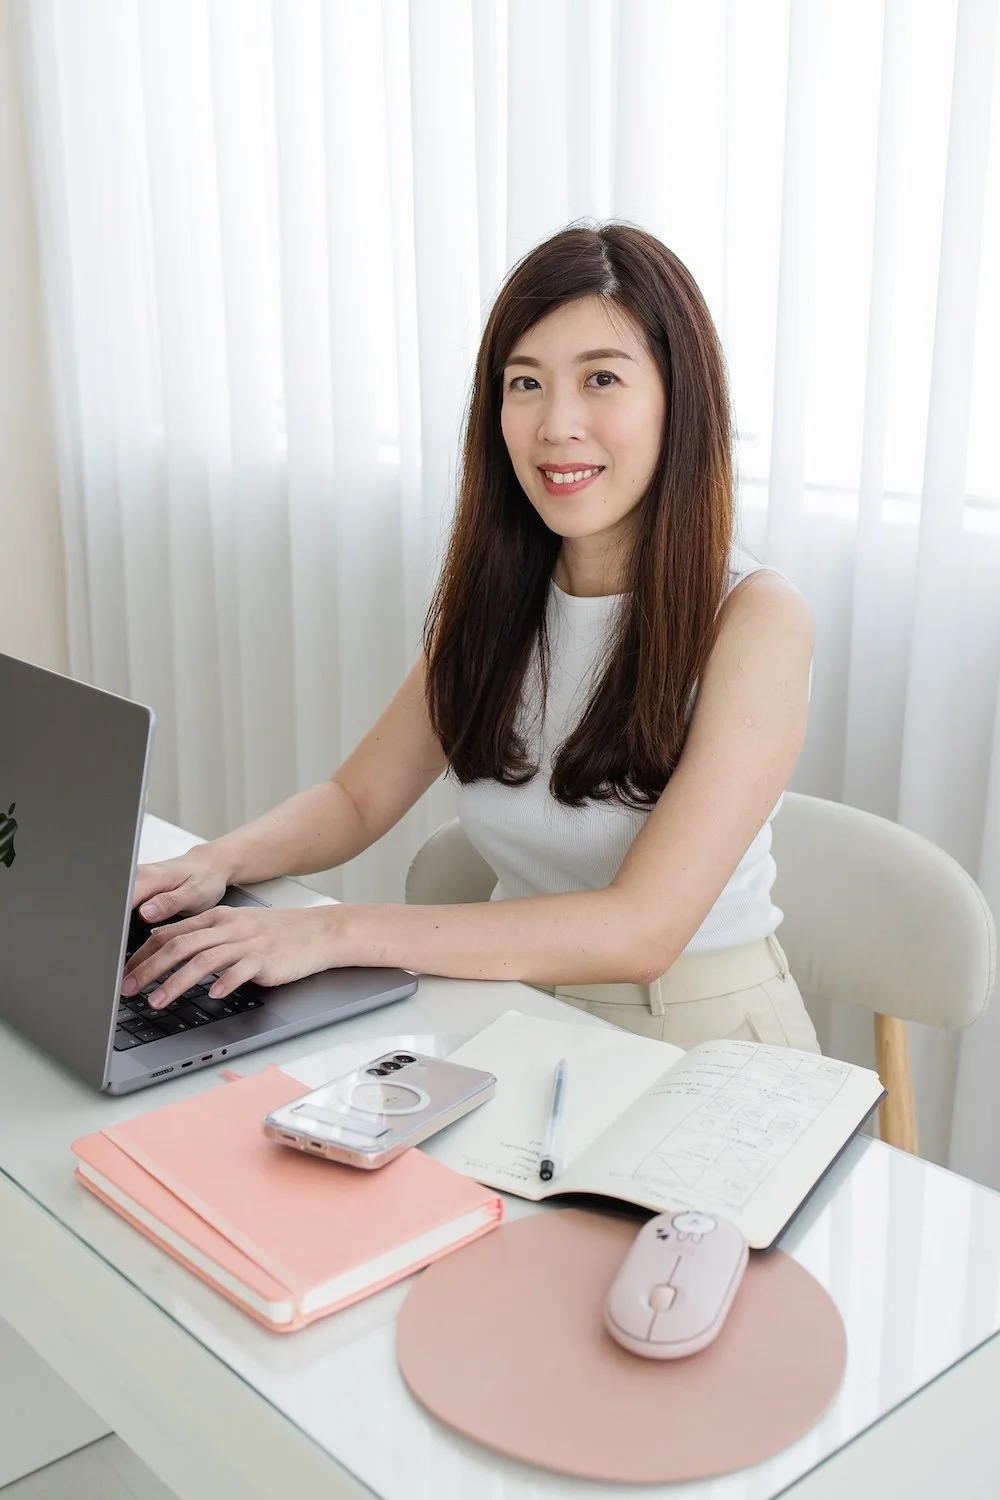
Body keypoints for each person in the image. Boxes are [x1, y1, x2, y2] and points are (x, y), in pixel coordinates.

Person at [123, 222, 820, 1054]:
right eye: (524, 383)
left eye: (601, 378)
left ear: (681, 398)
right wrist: (219, 861)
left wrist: (333, 932)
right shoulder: (500, 601)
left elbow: (641, 933)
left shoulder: (755, 617)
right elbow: (358, 800)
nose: (556, 423)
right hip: (513, 1011)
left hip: (700, 1038)